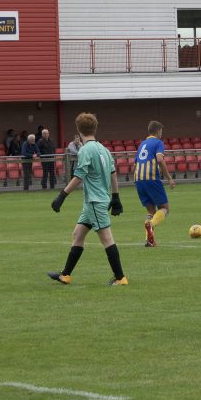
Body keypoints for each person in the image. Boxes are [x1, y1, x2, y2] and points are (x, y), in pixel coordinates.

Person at [47, 112, 127, 286]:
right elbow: (113, 173)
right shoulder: (104, 149)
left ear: (78, 130)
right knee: (78, 234)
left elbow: (79, 176)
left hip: (95, 202)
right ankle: (65, 275)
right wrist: (115, 197)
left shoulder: (85, 150)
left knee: (107, 238)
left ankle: (120, 277)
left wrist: (62, 195)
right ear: (95, 129)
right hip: (96, 201)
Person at [134, 120, 177, 247]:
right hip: (151, 178)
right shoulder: (158, 143)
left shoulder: (142, 144)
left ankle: (149, 240)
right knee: (165, 208)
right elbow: (160, 159)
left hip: (138, 179)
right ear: (158, 131)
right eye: (161, 131)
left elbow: (136, 163)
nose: (162, 134)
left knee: (151, 212)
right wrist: (169, 178)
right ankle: (151, 224)